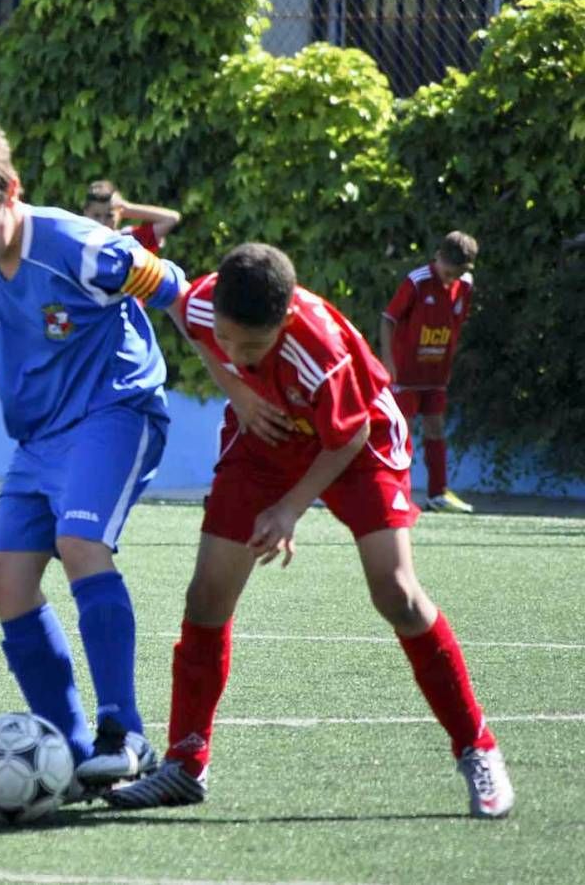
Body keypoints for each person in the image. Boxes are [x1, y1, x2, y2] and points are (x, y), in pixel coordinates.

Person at [106, 243, 514, 819]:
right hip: (267, 433)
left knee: (396, 591)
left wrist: (289, 510)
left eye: (253, 346)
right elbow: (192, 325)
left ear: (286, 319)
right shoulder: (205, 304)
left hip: (356, 444)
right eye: (229, 339)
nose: (237, 353)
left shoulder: (318, 347)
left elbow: (345, 438)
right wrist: (240, 390)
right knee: (206, 596)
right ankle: (186, 762)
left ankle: (478, 747)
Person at [0, 114, 186, 794]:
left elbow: (172, 289)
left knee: (81, 541)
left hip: (115, 410)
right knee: (5, 579)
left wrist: (239, 387)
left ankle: (125, 731)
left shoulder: (79, 246)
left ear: (10, 190)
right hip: (40, 440)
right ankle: (73, 752)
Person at [380, 231, 479, 514]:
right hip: (406, 373)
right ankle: (396, 493)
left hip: (435, 374)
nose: (451, 279)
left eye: (457, 274)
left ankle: (438, 494)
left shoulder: (465, 285)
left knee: (436, 427)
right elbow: (388, 319)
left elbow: (454, 324)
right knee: (403, 432)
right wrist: (389, 362)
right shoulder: (417, 281)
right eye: (447, 272)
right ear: (438, 257)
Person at [83, 179, 181, 255]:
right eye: (96, 216)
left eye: (109, 216)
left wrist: (128, 207)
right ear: (86, 213)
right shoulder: (75, 239)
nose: (102, 222)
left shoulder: (132, 238)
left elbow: (172, 218)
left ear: (121, 213)